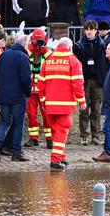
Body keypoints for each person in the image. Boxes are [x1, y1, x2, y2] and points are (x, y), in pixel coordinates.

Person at [37, 37, 86, 170]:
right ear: (70, 47)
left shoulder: (48, 61)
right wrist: (82, 101)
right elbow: (78, 84)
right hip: (65, 104)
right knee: (61, 131)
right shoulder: (73, 61)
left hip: (50, 104)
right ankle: (56, 159)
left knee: (55, 131)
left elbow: (40, 85)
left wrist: (43, 101)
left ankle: (61, 156)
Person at [0, 34, 31, 162]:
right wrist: (28, 92)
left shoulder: (4, 55)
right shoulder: (23, 57)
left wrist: (1, 88)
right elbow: (25, 79)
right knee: (19, 124)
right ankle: (16, 152)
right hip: (18, 96)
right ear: (24, 44)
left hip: (3, 95)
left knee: (5, 121)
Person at [73, 20, 106, 146]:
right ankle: (83, 135)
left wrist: (103, 79)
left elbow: (105, 64)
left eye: (91, 29)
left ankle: (96, 135)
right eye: (86, 29)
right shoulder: (79, 45)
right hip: (84, 81)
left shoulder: (102, 45)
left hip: (98, 81)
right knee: (83, 109)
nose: (89, 31)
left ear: (96, 30)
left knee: (96, 110)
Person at [24, 28, 53, 149]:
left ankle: (50, 139)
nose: (39, 43)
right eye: (37, 40)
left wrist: (44, 48)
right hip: (30, 88)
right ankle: (33, 138)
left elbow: (52, 60)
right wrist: (32, 47)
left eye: (41, 40)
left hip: (43, 89)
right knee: (31, 114)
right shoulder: (27, 50)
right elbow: (25, 56)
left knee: (47, 114)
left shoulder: (47, 51)